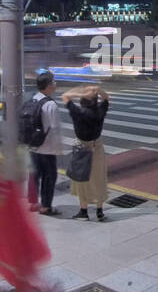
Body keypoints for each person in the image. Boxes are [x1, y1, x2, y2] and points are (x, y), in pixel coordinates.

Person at [26, 71, 73, 216]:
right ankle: (46, 207)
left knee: (34, 175)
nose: (55, 84)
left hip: (33, 146)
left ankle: (33, 203)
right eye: (53, 81)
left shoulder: (33, 99)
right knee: (49, 177)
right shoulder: (50, 104)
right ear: (47, 86)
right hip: (47, 149)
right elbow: (54, 129)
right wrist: (58, 149)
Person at [65, 82, 113, 222]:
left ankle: (83, 211)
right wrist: (98, 89)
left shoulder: (78, 112)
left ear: (82, 101)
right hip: (97, 147)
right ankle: (99, 211)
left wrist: (79, 92)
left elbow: (65, 96)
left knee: (81, 179)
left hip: (82, 147)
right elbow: (106, 98)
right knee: (99, 178)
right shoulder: (99, 111)